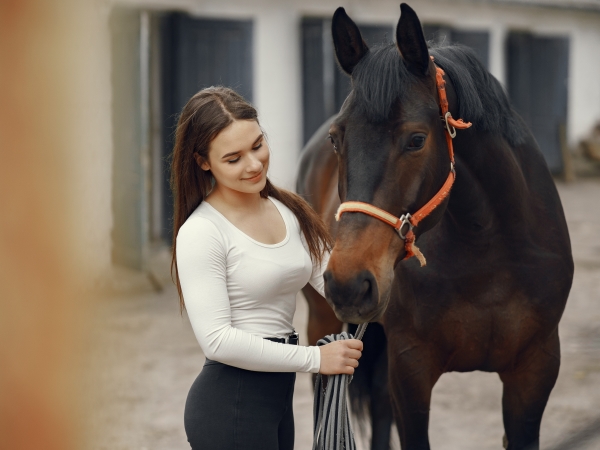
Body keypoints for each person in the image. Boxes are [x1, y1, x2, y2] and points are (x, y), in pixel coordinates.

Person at [170, 86, 363, 450]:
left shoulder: (287, 209)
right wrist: (315, 358)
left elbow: (335, 285)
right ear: (203, 162)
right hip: (230, 407)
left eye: (257, 145)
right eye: (234, 158)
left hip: (276, 401)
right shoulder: (201, 231)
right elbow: (217, 341)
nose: (254, 164)